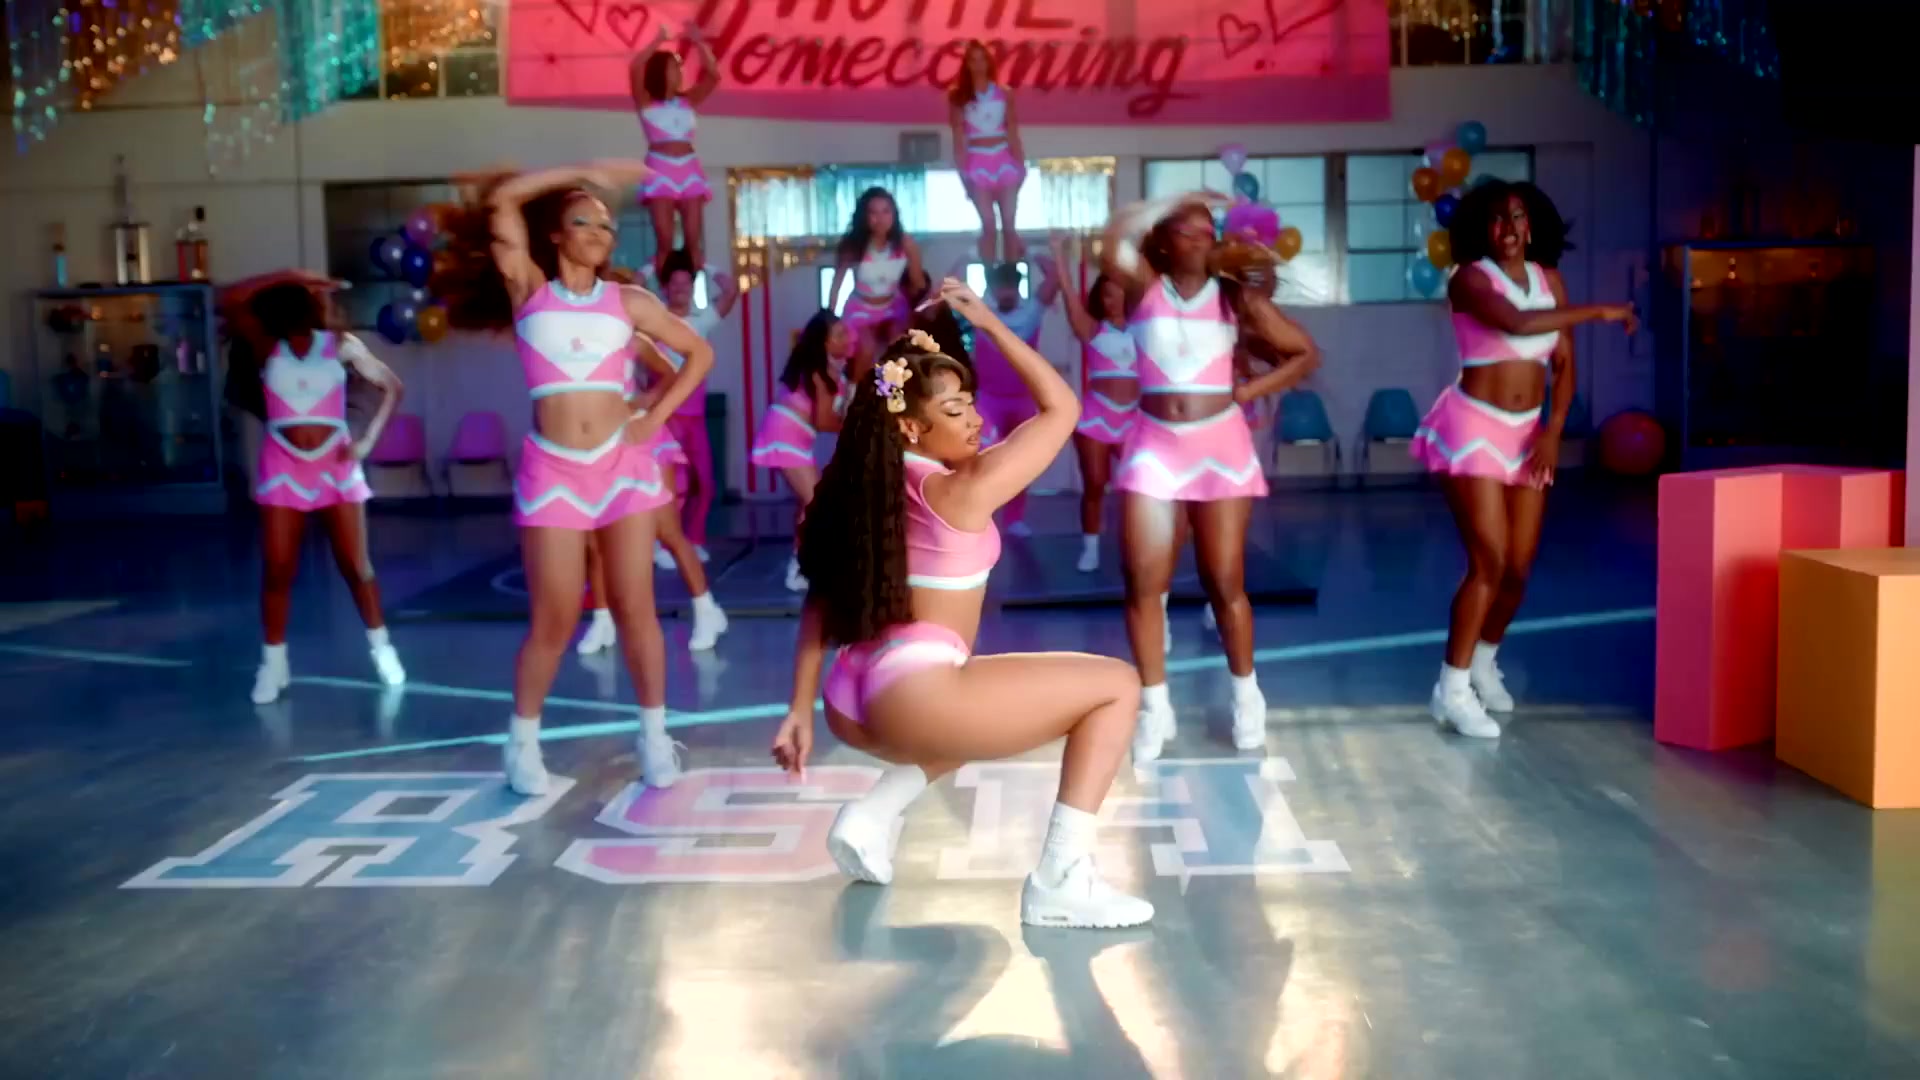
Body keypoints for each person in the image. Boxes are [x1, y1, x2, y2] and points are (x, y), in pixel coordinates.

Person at [771, 279, 1152, 930]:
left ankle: (873, 814)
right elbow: (1062, 408)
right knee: (1117, 686)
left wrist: (797, 709)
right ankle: (1061, 880)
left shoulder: (861, 488)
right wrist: (994, 325)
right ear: (911, 425)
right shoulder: (962, 489)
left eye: (971, 402)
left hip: (850, 700)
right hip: (915, 694)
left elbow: (820, 601)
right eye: (955, 410)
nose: (974, 419)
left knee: (985, 705)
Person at [434, 159, 714, 796]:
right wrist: (580, 172)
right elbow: (505, 199)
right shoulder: (529, 289)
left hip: (623, 467)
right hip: (553, 470)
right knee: (555, 617)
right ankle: (522, 745)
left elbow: (699, 354)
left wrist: (653, 417)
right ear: (556, 236)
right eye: (583, 221)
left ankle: (654, 738)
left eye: (607, 226)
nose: (598, 232)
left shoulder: (629, 302)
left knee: (637, 607)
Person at [1101, 194, 1322, 759]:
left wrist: (1247, 391)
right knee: (1143, 582)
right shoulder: (1144, 290)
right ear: (1164, 240)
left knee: (1223, 580)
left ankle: (1247, 696)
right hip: (1154, 447)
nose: (1200, 238)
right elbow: (1114, 238)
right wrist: (1170, 199)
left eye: (1208, 230)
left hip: (1219, 448)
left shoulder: (1234, 297)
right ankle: (1155, 709)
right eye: (1187, 229)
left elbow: (1303, 353)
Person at [1410, 180, 1634, 738]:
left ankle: (1484, 662)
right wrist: (1601, 309)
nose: (1508, 227)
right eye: (1496, 218)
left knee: (1517, 570)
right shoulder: (1468, 279)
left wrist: (1553, 431)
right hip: (1472, 428)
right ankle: (1451, 690)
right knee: (1488, 560)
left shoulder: (1548, 280)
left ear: (1530, 226)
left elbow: (1564, 364)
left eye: (1517, 217)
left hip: (1528, 434)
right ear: (1481, 229)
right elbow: (1517, 323)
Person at [220, 272, 407, 704]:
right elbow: (231, 298)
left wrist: (366, 440)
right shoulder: (266, 346)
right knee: (278, 569)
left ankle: (382, 649)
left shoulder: (339, 344)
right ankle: (274, 665)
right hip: (283, 465)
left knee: (355, 567)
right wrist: (293, 275)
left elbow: (392, 386)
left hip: (334, 465)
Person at [578, 334, 729, 655]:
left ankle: (707, 610)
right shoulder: (573, 340)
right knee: (595, 540)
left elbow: (672, 373)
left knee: (669, 533)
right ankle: (603, 621)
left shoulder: (631, 339)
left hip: (640, 439)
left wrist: (646, 400)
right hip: (596, 447)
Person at [749, 310, 853, 592]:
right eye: (840, 334)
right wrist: (856, 425)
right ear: (825, 343)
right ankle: (799, 568)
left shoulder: (834, 371)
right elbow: (823, 421)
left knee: (809, 504)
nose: (847, 338)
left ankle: (806, 562)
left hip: (797, 438)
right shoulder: (820, 372)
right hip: (785, 435)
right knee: (816, 502)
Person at [1052, 232, 1136, 573]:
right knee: (1095, 484)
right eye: (1107, 294)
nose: (1113, 300)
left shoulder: (1146, 328)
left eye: (1119, 294)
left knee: (1137, 489)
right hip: (1096, 416)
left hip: (1133, 418)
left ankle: (1136, 546)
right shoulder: (1091, 329)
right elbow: (1069, 294)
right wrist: (1059, 255)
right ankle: (1091, 548)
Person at [649, 248, 739, 561]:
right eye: (674, 284)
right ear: (665, 288)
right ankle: (662, 544)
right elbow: (632, 287)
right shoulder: (655, 320)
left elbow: (730, 289)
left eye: (685, 284)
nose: (680, 289)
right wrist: (652, 266)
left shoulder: (702, 320)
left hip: (696, 416)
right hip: (667, 416)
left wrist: (705, 265)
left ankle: (694, 539)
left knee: (706, 484)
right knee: (673, 485)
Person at [965, 254, 1058, 536]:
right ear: (992, 289)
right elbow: (950, 284)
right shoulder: (982, 312)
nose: (1005, 292)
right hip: (988, 401)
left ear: (1017, 287)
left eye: (1010, 286)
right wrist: (974, 255)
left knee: (1020, 460)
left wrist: (1027, 254)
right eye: (999, 287)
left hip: (1023, 400)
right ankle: (981, 515)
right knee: (983, 459)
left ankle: (1015, 519)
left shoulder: (1031, 312)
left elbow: (1054, 278)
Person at [629, 24, 720, 278]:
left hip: (689, 167)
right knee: (665, 240)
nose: (679, 72)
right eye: (673, 68)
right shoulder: (645, 100)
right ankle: (663, 287)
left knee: (693, 241)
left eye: (679, 68)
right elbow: (635, 67)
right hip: (660, 168)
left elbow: (714, 76)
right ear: (660, 71)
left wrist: (699, 42)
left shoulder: (688, 100)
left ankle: (690, 286)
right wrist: (658, 40)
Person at [829, 187, 926, 378]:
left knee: (898, 347)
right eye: (873, 212)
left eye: (885, 212)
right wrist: (830, 320)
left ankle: (893, 392)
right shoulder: (853, 246)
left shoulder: (906, 243)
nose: (880, 219)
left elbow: (918, 284)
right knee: (867, 348)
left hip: (893, 306)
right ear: (864, 216)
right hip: (860, 308)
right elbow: (836, 285)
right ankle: (855, 392)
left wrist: (921, 312)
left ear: (894, 215)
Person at [947, 40, 1026, 263]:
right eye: (973, 60)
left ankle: (1011, 275)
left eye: (983, 59)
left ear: (989, 62)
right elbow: (958, 141)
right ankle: (990, 276)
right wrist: (963, 177)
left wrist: (1021, 165)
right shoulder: (958, 97)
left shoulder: (1004, 93)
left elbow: (1013, 131)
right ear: (967, 64)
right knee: (989, 227)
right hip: (977, 164)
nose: (978, 65)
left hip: (1004, 160)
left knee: (1009, 225)